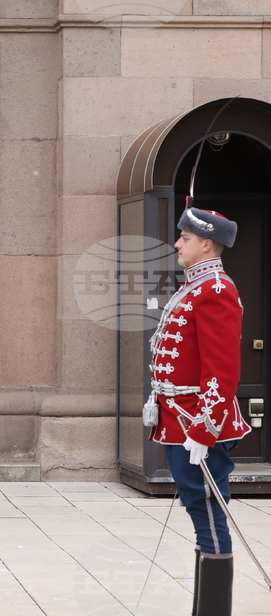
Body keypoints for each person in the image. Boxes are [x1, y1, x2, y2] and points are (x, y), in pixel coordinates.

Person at [145, 206, 250, 614]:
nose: (177, 243)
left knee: (207, 508)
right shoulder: (195, 286)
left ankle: (213, 609)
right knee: (198, 507)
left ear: (206, 244)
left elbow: (222, 372)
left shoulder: (216, 290)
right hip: (178, 418)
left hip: (198, 423)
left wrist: (204, 431)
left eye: (184, 238)